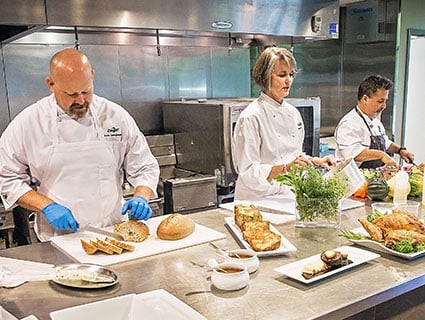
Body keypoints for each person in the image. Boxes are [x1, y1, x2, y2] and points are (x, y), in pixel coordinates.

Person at [0, 48, 160, 241]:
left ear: (92, 76)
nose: (81, 100)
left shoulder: (116, 116)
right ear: (51, 84)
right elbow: (7, 179)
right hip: (58, 237)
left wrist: (142, 195)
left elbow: (145, 166)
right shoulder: (28, 123)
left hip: (113, 231)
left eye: (86, 91)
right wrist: (46, 206)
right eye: (72, 94)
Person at [232, 47, 335, 200]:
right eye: (282, 75)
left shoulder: (293, 113)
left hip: (286, 195)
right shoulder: (251, 117)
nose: (288, 80)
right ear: (265, 77)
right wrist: (285, 168)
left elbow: (292, 155)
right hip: (257, 200)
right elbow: (248, 172)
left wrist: (314, 161)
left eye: (291, 74)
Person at [334, 75, 415, 169]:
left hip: (374, 180)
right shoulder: (349, 124)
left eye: (385, 101)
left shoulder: (375, 121)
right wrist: (381, 155)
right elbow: (353, 154)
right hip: (352, 180)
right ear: (365, 99)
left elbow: (385, 143)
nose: (384, 106)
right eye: (380, 101)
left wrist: (400, 150)